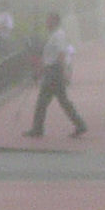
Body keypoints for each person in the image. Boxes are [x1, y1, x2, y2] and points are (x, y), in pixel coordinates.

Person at [26, 10, 88, 138]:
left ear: (54, 21)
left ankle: (38, 129)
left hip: (54, 72)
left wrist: (62, 70)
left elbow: (60, 54)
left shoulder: (58, 35)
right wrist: (41, 70)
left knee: (43, 101)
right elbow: (50, 56)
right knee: (62, 101)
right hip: (52, 71)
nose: (46, 22)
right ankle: (80, 125)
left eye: (48, 20)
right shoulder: (54, 35)